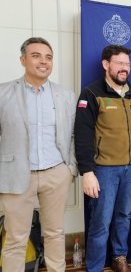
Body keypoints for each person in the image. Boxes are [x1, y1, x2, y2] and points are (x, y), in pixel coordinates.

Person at [0, 37, 76, 271]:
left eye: (48, 57)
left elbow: (73, 134)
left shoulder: (65, 95)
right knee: (15, 239)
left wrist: (69, 169)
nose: (43, 62)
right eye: (36, 56)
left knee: (55, 233)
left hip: (56, 173)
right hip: (16, 174)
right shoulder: (3, 93)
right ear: (23, 60)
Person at [74, 45, 131, 272]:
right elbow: (82, 135)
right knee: (101, 222)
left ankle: (119, 258)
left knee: (124, 215)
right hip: (104, 170)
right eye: (119, 63)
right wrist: (87, 172)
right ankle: (94, 267)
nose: (124, 68)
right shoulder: (91, 94)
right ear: (106, 64)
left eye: (127, 64)